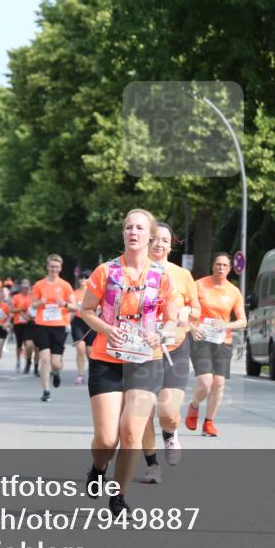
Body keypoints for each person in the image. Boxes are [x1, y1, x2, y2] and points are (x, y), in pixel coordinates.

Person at [79, 209, 180, 517]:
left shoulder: (162, 276)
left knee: (132, 432)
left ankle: (118, 496)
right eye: (128, 228)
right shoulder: (106, 271)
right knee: (107, 439)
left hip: (146, 361)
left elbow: (172, 319)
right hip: (107, 359)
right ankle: (98, 468)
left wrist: (161, 333)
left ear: (150, 236)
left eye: (139, 228)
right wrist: (106, 328)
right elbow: (86, 310)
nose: (133, 232)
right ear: (123, 234)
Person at [140, 223, 200, 483]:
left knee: (168, 413)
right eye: (154, 238)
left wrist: (187, 311)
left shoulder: (182, 274)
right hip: (141, 351)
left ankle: (170, 433)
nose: (159, 244)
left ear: (171, 245)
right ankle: (152, 465)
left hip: (175, 348)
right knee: (142, 412)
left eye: (165, 240)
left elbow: (197, 310)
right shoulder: (135, 271)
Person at [183, 252, 247, 437]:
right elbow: (184, 310)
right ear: (213, 266)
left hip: (222, 340)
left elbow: (243, 321)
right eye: (218, 264)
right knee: (205, 382)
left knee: (218, 383)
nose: (221, 268)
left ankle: (209, 423)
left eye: (225, 265)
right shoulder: (199, 285)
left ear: (230, 269)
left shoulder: (233, 291)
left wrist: (226, 325)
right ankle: (194, 405)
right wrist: (192, 328)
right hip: (201, 337)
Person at [31, 254, 76, 402]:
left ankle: (56, 372)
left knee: (55, 363)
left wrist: (64, 304)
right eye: (51, 266)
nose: (54, 269)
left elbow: (74, 307)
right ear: (47, 267)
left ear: (60, 268)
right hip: (42, 325)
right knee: (44, 359)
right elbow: (33, 305)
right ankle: (46, 390)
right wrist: (41, 302)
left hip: (59, 326)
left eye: (56, 266)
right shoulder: (39, 285)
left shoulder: (65, 285)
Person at [70, 273, 95, 385]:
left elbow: (99, 306)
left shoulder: (93, 292)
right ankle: (80, 375)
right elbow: (71, 307)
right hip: (78, 322)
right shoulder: (74, 293)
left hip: (91, 323)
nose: (83, 280)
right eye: (81, 278)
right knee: (80, 349)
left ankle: (92, 371)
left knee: (90, 352)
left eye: (86, 278)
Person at [11, 279, 37, 376]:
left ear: (29, 287)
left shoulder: (33, 297)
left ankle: (28, 361)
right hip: (18, 322)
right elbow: (11, 309)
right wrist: (21, 309)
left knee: (29, 344)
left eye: (27, 286)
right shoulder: (16, 297)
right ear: (21, 287)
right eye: (23, 286)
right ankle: (18, 360)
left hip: (29, 323)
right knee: (19, 344)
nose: (25, 288)